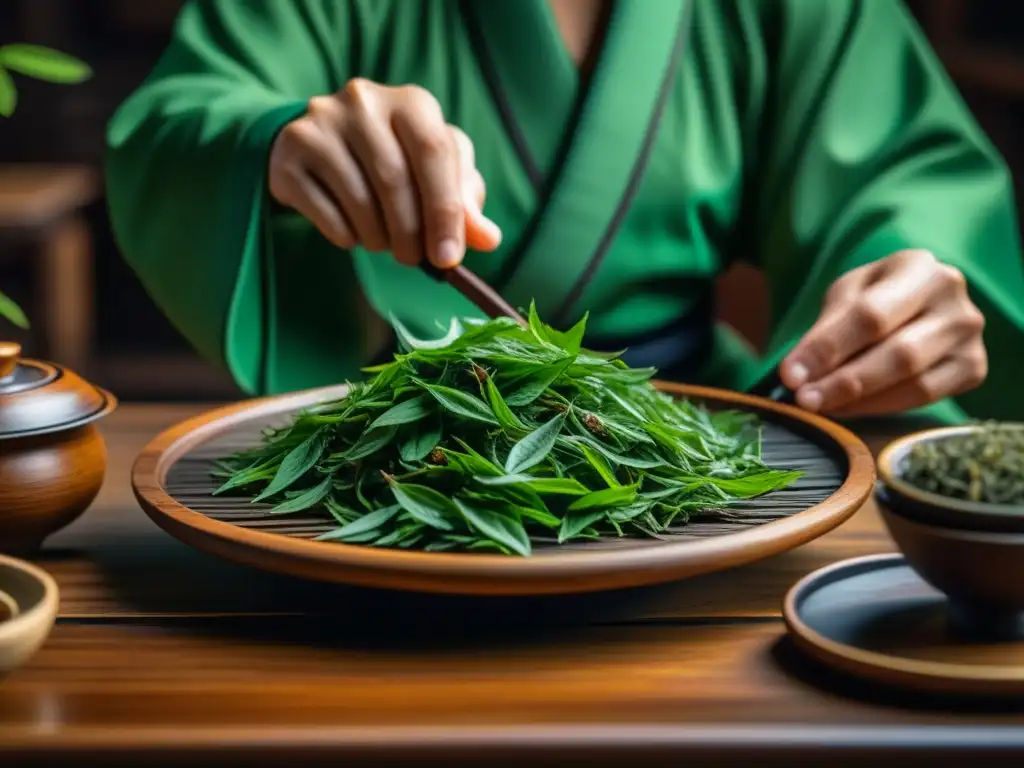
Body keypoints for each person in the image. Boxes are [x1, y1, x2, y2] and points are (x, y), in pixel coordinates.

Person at [105, 0, 1024, 423]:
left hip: (697, 437)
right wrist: (276, 145)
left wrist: (909, 286)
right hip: (401, 445)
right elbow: (183, 119)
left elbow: (908, 175)